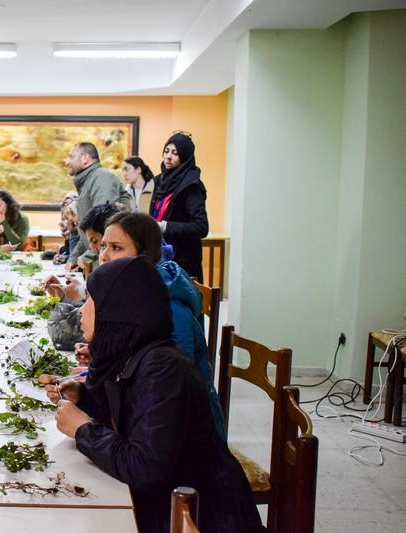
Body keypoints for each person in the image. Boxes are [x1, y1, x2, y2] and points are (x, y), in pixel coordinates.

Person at [44, 257, 263, 533]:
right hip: (168, 500)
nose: (82, 310)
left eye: (91, 300)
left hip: (201, 514)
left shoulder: (163, 370)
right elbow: (131, 417)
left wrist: (83, 430)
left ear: (119, 309)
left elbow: (144, 466)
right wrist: (84, 398)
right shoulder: (135, 352)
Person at [98, 211, 224, 437]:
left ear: (144, 255)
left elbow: (171, 387)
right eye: (103, 246)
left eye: (116, 248)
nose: (104, 256)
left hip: (190, 435)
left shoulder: (171, 309)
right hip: (150, 416)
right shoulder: (131, 292)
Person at [63, 142, 131, 270]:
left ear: (85, 158)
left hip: (108, 263)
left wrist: (85, 258)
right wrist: (74, 258)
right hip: (99, 261)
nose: (66, 161)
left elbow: (103, 225)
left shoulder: (101, 177)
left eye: (71, 156)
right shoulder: (90, 180)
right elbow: (87, 232)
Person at [151, 132, 209, 282]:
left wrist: (165, 226)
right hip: (158, 256)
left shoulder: (192, 185)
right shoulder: (159, 181)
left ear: (185, 156)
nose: (168, 157)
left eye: (175, 153)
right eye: (166, 151)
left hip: (182, 261)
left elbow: (201, 227)